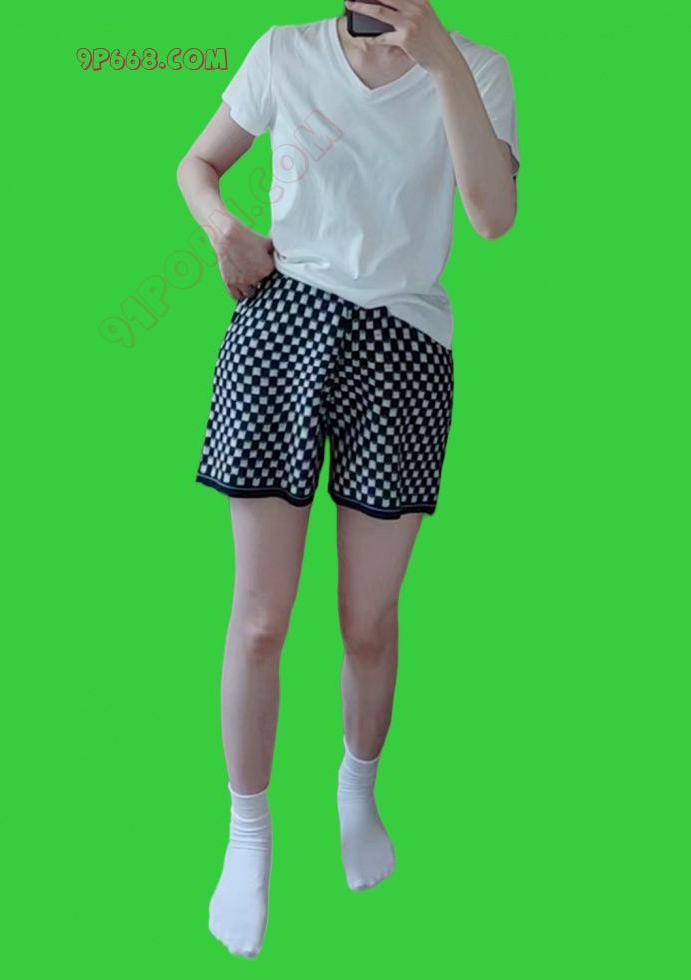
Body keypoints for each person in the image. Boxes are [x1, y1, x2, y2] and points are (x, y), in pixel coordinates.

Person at [176, 0, 520, 959]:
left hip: (403, 346)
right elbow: (196, 163)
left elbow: (492, 217)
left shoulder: (480, 68)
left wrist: (440, 60)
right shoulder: (283, 53)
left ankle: (356, 790)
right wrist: (223, 229)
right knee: (260, 620)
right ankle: (248, 837)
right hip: (282, 329)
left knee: (367, 623)